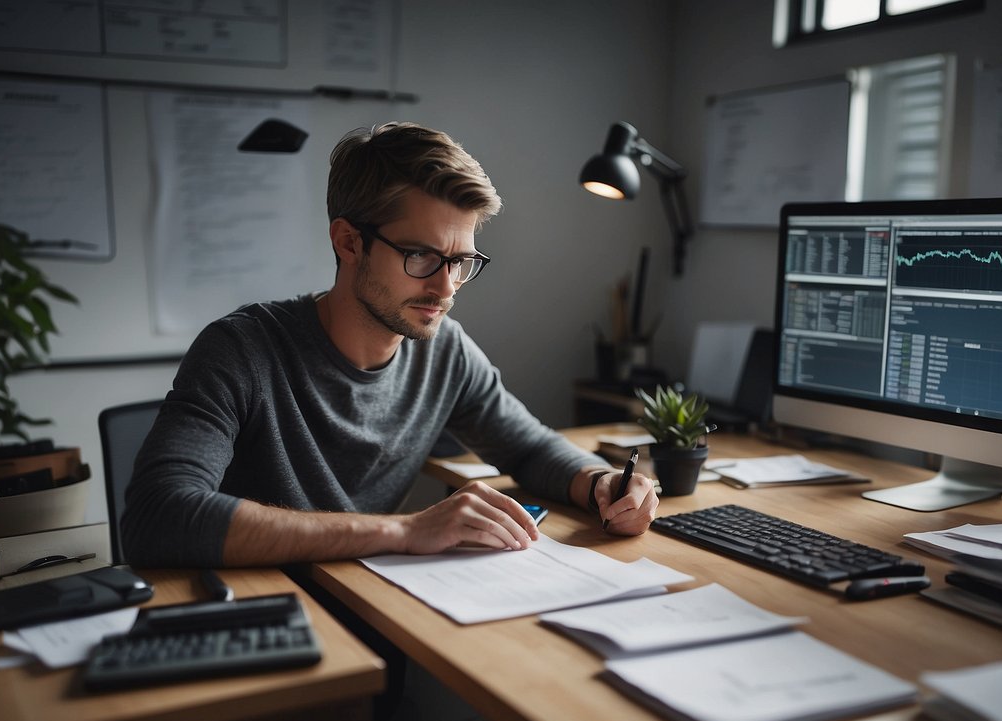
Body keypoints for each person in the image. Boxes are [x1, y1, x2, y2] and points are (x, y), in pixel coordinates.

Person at [122, 121, 658, 568]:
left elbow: (529, 447)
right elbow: (158, 515)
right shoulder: (241, 350)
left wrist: (600, 482)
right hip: (261, 608)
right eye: (421, 256)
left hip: (371, 595)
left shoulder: (444, 352)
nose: (445, 288)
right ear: (348, 242)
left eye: (460, 262)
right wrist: (403, 531)